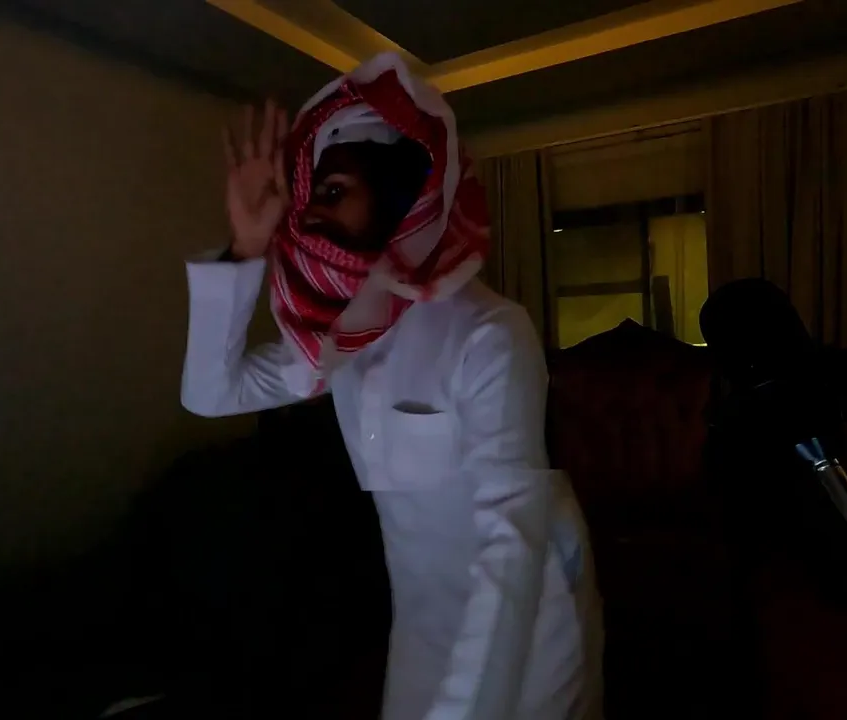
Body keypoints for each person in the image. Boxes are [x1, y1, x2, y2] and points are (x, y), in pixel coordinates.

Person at [179, 53, 602, 720]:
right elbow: (210, 393)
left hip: (528, 610)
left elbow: (512, 540)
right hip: (422, 615)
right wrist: (246, 248)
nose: (308, 218)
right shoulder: (343, 340)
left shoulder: (490, 334)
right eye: (310, 198)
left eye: (333, 191)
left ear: (401, 200)